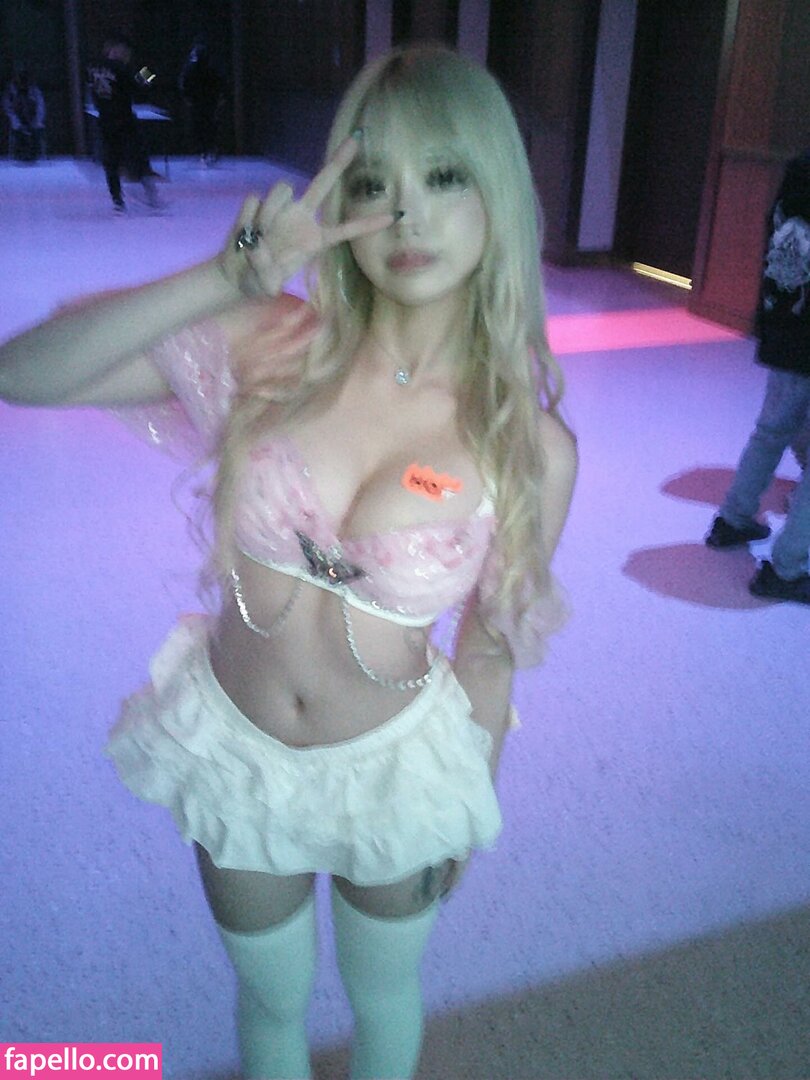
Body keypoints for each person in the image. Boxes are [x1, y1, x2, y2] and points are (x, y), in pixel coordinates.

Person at [0, 46, 576, 1079]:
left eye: (444, 176)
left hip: (397, 767)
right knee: (270, 998)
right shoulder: (268, 341)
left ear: (498, 192)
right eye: (374, 183)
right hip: (235, 747)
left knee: (383, 995)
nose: (407, 215)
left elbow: (490, 653)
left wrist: (471, 801)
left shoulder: (525, 443)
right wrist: (222, 277)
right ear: (339, 202)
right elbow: (25, 374)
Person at [706, 150, 810, 605]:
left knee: (770, 432)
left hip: (785, 328)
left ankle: (733, 519)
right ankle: (788, 568)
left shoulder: (800, 171)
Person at [86, 34, 160, 212]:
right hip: (124, 119)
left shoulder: (93, 67)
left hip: (105, 120)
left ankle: (117, 199)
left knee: (111, 160)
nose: (127, 55)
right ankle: (151, 195)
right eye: (125, 52)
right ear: (116, 49)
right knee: (138, 155)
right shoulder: (121, 68)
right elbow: (139, 88)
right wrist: (149, 73)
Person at [180, 37, 224, 166]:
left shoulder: (194, 67)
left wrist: (187, 97)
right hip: (206, 102)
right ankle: (206, 150)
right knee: (207, 126)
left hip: (201, 102)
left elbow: (184, 82)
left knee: (203, 126)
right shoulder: (209, 67)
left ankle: (205, 151)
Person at [2, 69, 46, 162]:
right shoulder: (10, 93)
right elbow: (8, 109)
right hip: (17, 120)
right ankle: (20, 154)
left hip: (32, 119)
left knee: (35, 133)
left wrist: (36, 122)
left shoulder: (35, 91)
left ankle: (34, 154)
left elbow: (40, 108)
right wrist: (17, 124)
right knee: (19, 134)